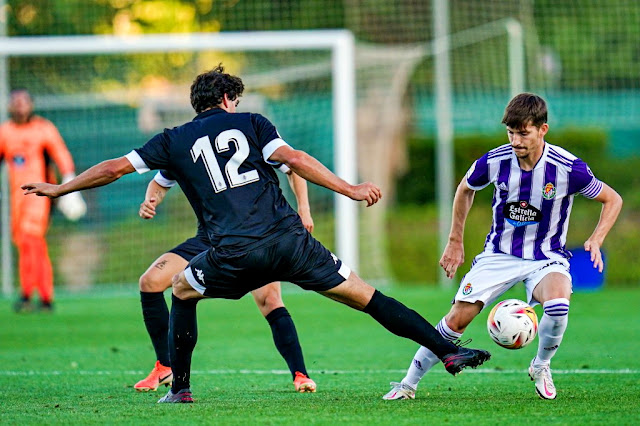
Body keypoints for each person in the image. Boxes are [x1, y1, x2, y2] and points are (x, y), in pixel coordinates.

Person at [22, 65, 491, 404]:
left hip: (232, 252)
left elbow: (111, 169)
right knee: (369, 297)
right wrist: (348, 189)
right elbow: (296, 159)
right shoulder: (252, 123)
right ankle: (446, 351)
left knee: (182, 291)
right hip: (291, 244)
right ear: (227, 101)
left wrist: (60, 187)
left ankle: (180, 387)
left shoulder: (171, 139)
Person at [382, 93, 623, 401]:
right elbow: (465, 189)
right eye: (511, 132)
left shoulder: (567, 168)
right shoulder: (495, 161)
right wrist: (455, 241)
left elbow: (612, 198)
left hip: (546, 258)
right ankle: (407, 384)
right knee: (457, 320)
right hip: (499, 255)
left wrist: (597, 237)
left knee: (558, 305)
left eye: (523, 132)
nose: (516, 140)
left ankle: (541, 365)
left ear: (542, 130)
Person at [133, 167, 317, 393]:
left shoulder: (250, 136)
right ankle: (165, 366)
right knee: (150, 281)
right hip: (208, 238)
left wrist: (304, 210)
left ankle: (300, 374)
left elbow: (294, 165)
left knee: (269, 299)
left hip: (251, 238)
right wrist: (151, 201)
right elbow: (160, 181)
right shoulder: (183, 146)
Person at [0, 89, 86, 312]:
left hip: (40, 197)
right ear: (10, 107)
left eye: (23, 102)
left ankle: (34, 295)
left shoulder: (43, 129)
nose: (19, 106)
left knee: (31, 240)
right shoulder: (5, 132)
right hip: (16, 200)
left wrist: (69, 183)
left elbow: (62, 156)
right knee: (26, 244)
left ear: (31, 104)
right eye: (15, 102)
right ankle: (39, 296)